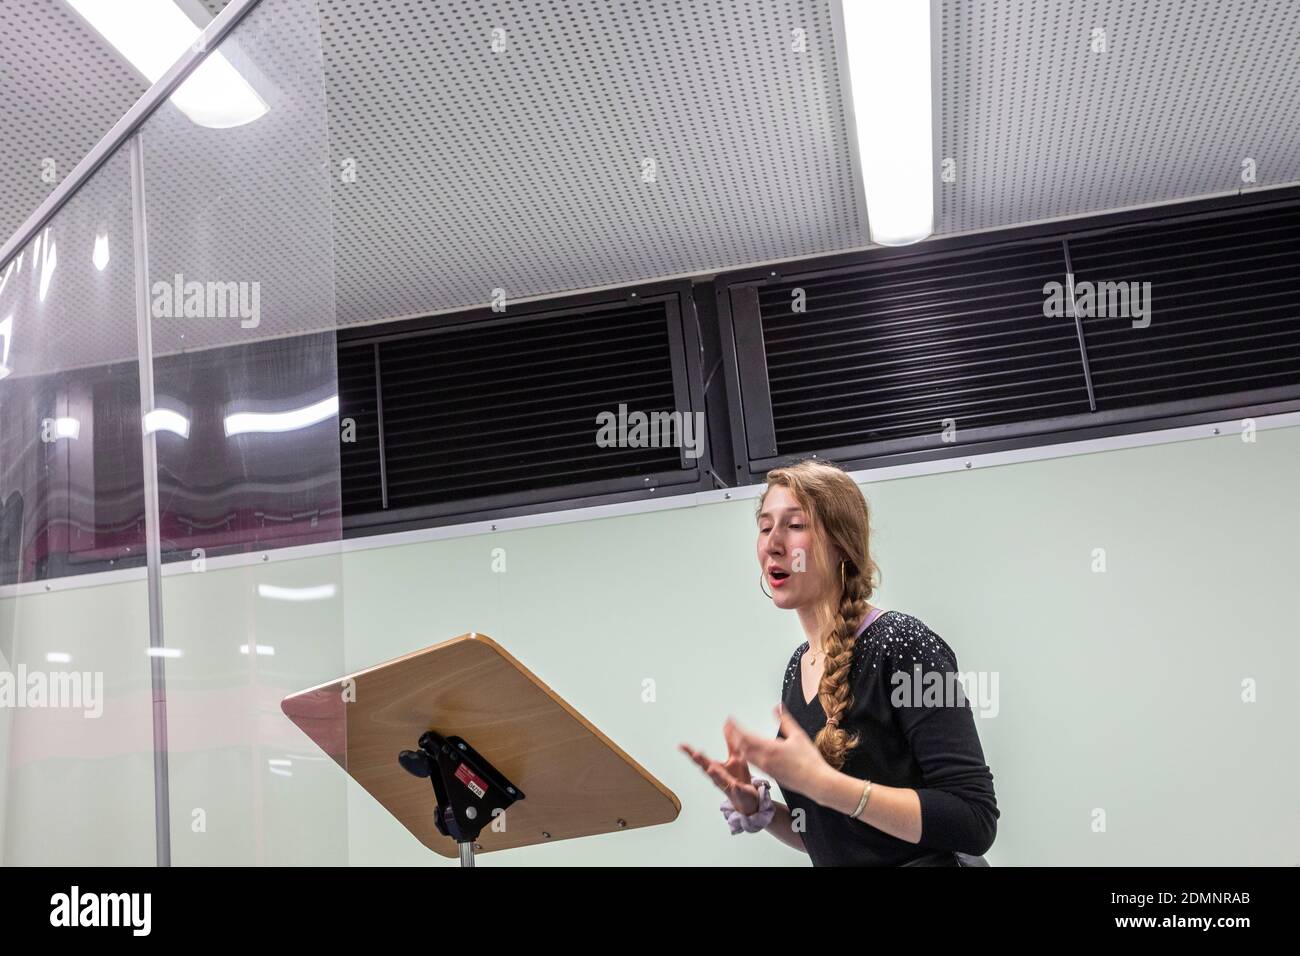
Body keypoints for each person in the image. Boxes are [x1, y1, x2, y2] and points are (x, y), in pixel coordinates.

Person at [680, 459, 998, 865]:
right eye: (764, 527)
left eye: (794, 526)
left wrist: (827, 786)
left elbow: (974, 821)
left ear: (841, 544)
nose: (773, 543)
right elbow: (845, 837)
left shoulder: (903, 644)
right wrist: (764, 813)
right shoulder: (799, 668)